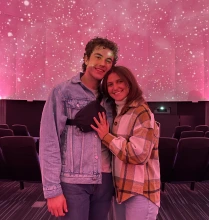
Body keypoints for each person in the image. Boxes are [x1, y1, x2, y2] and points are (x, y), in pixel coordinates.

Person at [39, 37, 119, 220]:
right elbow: (49, 142)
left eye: (108, 60)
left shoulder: (111, 98)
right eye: (98, 57)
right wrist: (52, 190)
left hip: (105, 179)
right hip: (73, 182)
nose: (102, 63)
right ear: (86, 58)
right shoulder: (62, 92)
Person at [91, 66, 160, 220]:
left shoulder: (141, 112)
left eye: (119, 82)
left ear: (129, 83)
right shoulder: (119, 112)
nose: (115, 87)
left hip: (141, 192)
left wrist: (106, 137)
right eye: (110, 84)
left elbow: (138, 155)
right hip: (121, 190)